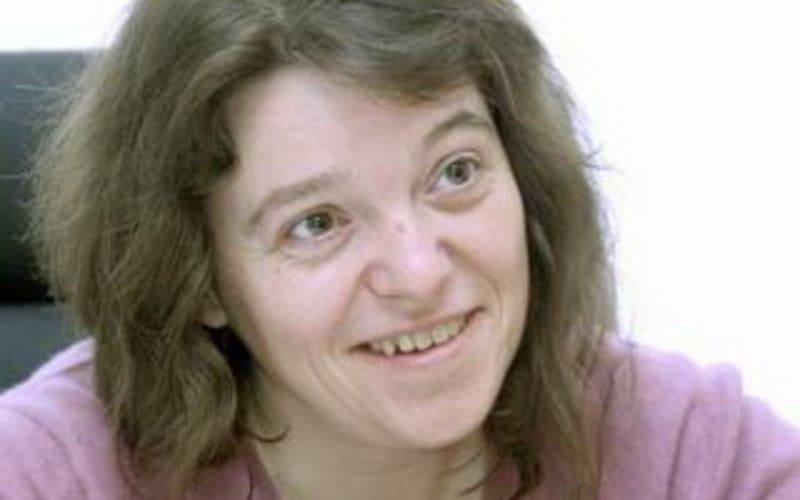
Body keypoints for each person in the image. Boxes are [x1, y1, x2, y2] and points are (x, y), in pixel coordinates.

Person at [1, 0, 798, 499]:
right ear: (199, 277)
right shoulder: (48, 472)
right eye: (317, 223)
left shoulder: (687, 449)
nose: (420, 273)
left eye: (455, 173)